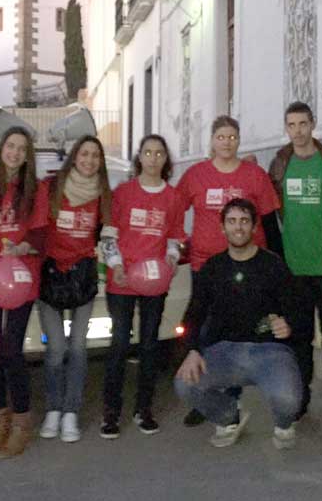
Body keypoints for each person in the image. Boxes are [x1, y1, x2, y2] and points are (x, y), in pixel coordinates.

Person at [176, 115, 280, 425]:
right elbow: (172, 209)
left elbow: (270, 222)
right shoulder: (195, 175)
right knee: (204, 330)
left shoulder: (254, 175)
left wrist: (276, 262)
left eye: (232, 136)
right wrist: (175, 243)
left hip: (247, 266)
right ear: (212, 140)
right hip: (205, 267)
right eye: (221, 136)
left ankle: (230, 398)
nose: (226, 142)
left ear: (238, 140)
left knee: (235, 332)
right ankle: (205, 394)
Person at [174, 198, 302, 449]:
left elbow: (297, 309)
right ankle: (229, 417)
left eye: (244, 221)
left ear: (254, 227)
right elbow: (194, 313)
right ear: (222, 228)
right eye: (231, 221)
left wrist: (288, 325)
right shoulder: (213, 268)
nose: (238, 227)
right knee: (184, 384)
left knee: (288, 401)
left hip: (270, 352)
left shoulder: (273, 264)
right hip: (224, 351)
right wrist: (192, 350)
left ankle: (284, 423)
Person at [267, 101, 322, 427]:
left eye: (303, 124)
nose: (298, 131)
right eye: (292, 125)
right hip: (295, 267)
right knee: (298, 338)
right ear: (286, 128)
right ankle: (299, 401)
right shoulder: (281, 162)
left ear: (313, 124)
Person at [100, 134, 184, 439]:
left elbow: (175, 238)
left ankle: (144, 409)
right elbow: (108, 235)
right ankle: (111, 412)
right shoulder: (122, 193)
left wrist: (172, 259)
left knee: (150, 346)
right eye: (147, 153)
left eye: (159, 153)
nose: (153, 158)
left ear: (165, 159)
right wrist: (116, 266)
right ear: (139, 158)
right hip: (121, 282)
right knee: (120, 344)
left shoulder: (173, 197)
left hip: (154, 284)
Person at [0, 126, 46, 457]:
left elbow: (42, 236)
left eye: (21, 148)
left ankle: (21, 421)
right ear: (1, 149)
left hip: (19, 277)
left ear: (27, 155)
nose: (15, 152)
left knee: (13, 351)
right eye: (10, 146)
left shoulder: (35, 190)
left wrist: (24, 248)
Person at [36, 135, 113, 444]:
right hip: (52, 276)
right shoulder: (50, 188)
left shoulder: (104, 195)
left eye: (96, 155)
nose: (89, 160)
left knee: (78, 348)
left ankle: (71, 412)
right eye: (84, 154)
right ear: (74, 157)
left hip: (82, 277)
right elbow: (38, 229)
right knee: (56, 350)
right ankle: (53, 409)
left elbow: (107, 235)